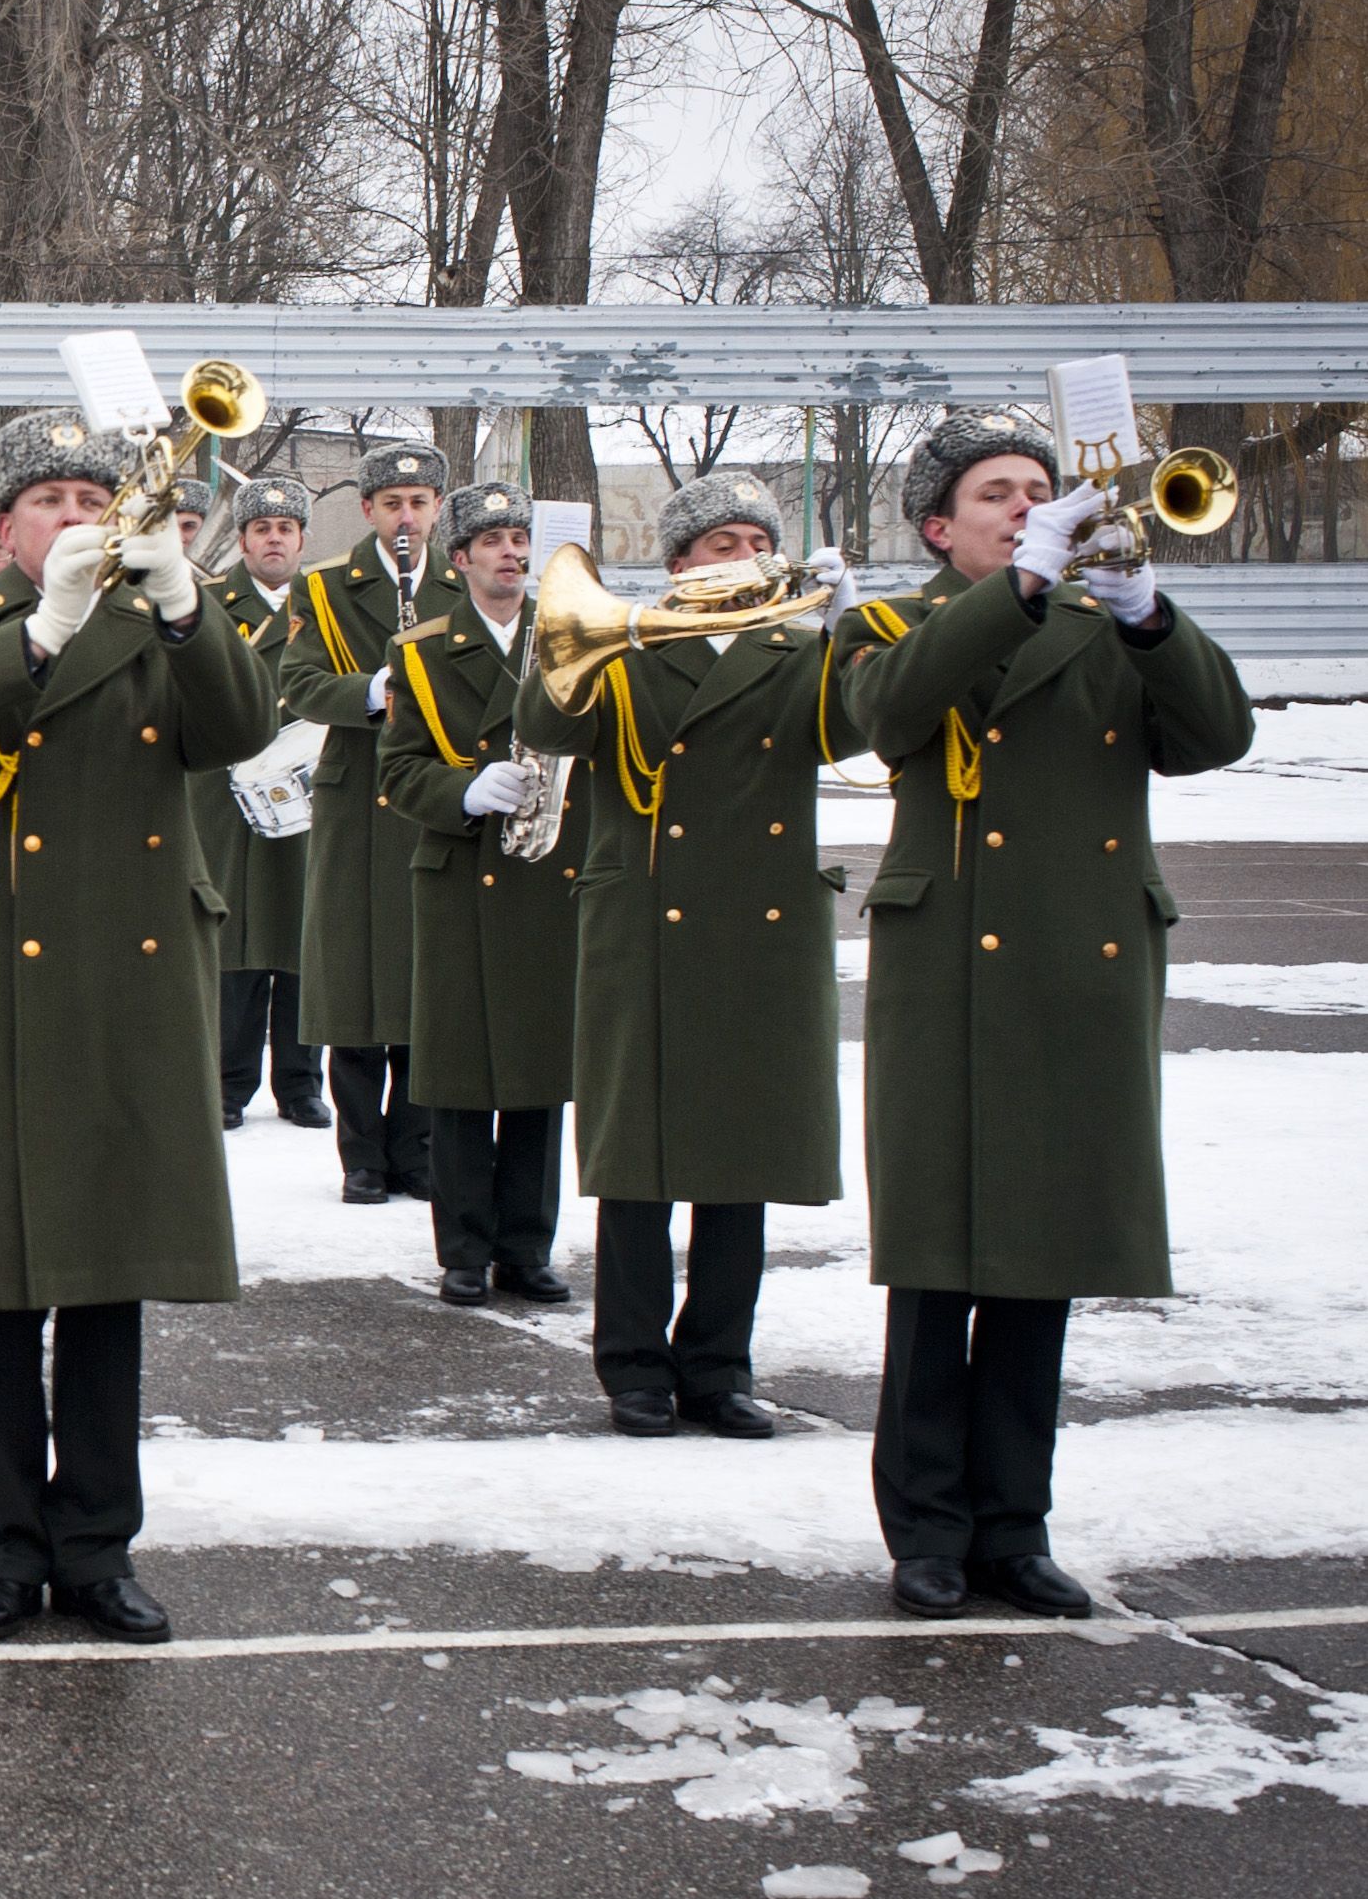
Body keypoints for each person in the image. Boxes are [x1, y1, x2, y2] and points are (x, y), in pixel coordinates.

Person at [832, 418, 1253, 1619]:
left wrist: (1148, 618)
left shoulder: (1103, 625)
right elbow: (888, 714)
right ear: (936, 526)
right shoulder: (893, 621)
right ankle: (924, 1526)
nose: (1023, 506)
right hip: (952, 969)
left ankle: (1013, 1525)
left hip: (1078, 965)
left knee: (1038, 1256)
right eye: (994, 495)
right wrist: (1019, 587)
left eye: (1036, 492)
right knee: (938, 1257)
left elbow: (1215, 735)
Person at [0, 408, 270, 1647]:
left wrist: (190, 608)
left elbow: (241, 731)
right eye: (50, 502)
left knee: (108, 1273)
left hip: (127, 968)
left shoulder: (161, 622)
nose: (76, 520)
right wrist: (38, 634)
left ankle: (97, 1548)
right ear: (1, 528)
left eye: (94, 501)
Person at [514, 472, 867, 1436]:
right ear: (678, 564)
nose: (744, 552)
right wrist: (554, 647)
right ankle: (632, 1366)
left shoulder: (797, 648)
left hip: (757, 930)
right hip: (643, 926)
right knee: (636, 1161)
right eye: (721, 542)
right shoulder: (628, 647)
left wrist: (850, 631)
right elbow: (546, 729)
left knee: (736, 1161)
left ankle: (718, 1366)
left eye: (757, 537)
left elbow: (855, 731)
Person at [377, 482, 582, 1308]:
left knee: (538, 1067)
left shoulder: (569, 638)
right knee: (460, 1072)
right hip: (461, 876)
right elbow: (396, 771)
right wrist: (462, 790)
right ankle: (462, 1245)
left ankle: (525, 1246)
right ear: (456, 558)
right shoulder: (421, 649)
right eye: (490, 540)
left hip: (544, 873)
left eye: (518, 538)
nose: (509, 552)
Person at [278, 442, 452, 1204]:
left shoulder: (460, 581)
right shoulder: (322, 589)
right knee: (353, 983)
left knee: (423, 978)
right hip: (357, 798)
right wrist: (375, 687)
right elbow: (300, 684)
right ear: (368, 510)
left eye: (418, 502)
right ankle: (362, 1158)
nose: (405, 516)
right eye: (391, 503)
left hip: (434, 798)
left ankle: (414, 1152)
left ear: (438, 508)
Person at [197, 480, 330, 1130]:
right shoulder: (208, 604)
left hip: (304, 783)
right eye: (261, 528)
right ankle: (228, 1080)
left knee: (303, 931)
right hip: (225, 788)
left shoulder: (328, 605)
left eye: (285, 527)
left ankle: (302, 1083)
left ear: (303, 538)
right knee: (238, 935)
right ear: (243, 540)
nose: (273, 537)